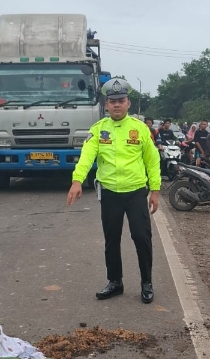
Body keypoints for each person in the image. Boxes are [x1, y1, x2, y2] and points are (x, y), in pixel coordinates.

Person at [66, 78, 160, 304]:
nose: (117, 105)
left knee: (141, 237)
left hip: (135, 192)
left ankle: (146, 282)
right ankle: (115, 282)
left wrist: (155, 190)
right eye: (112, 101)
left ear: (128, 103)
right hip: (109, 193)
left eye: (121, 100)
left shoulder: (140, 129)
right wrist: (77, 180)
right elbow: (87, 156)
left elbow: (152, 160)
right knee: (111, 240)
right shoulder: (98, 130)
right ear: (106, 105)